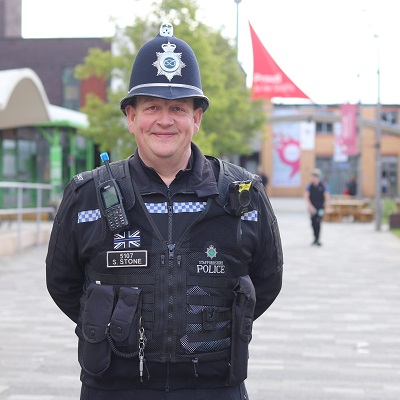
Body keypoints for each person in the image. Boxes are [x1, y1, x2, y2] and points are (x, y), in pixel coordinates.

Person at [46, 22, 283, 400]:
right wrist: (112, 328)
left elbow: (268, 281)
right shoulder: (88, 196)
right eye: (152, 106)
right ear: (131, 117)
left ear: (197, 118)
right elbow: (62, 283)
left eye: (178, 108)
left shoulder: (243, 195)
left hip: (214, 386)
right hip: (114, 385)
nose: (165, 120)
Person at [304, 168, 330, 246]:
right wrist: (310, 207)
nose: (315, 177)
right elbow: (306, 197)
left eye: (316, 175)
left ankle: (317, 239)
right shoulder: (309, 186)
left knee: (318, 222)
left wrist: (326, 207)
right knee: (313, 223)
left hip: (320, 207)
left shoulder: (323, 185)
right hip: (312, 208)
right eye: (314, 175)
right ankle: (315, 238)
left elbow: (327, 197)